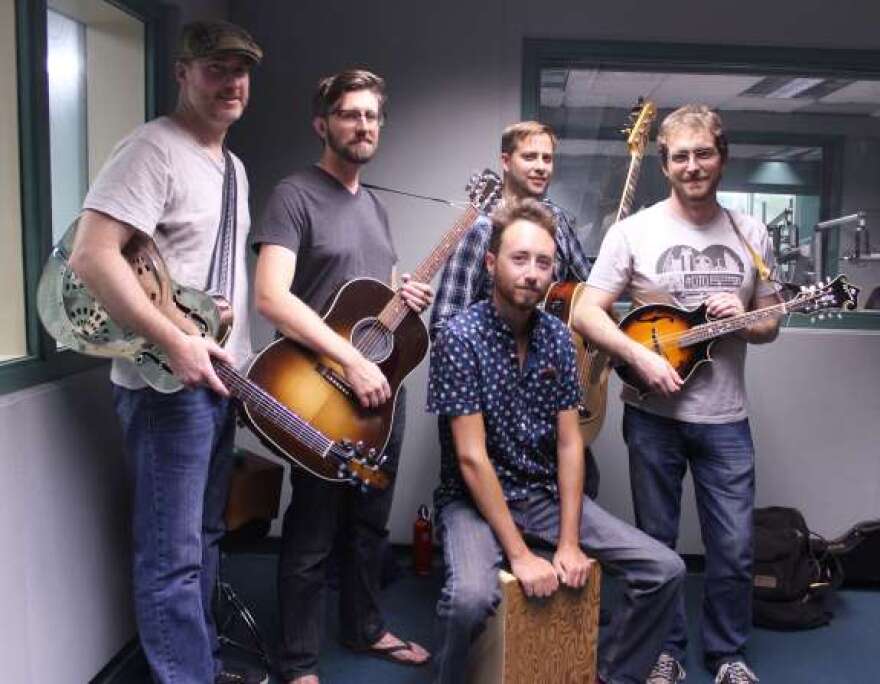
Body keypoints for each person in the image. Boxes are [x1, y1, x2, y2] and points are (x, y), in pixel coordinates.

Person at [69, 20, 266, 684]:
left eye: (240, 71)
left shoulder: (231, 166)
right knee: (170, 558)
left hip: (217, 382)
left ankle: (199, 668)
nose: (231, 83)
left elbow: (178, 270)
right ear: (182, 72)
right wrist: (177, 339)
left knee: (206, 544)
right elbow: (92, 256)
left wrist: (213, 321)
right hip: (165, 388)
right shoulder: (152, 149)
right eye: (216, 69)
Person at [428, 199, 685, 684]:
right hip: (471, 500)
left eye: (543, 263)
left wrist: (568, 542)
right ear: (491, 263)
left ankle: (611, 674)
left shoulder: (558, 339)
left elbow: (570, 444)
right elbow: (470, 457)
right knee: (469, 599)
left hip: (540, 493)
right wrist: (522, 556)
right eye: (519, 259)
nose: (531, 273)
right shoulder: (460, 338)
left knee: (665, 570)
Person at [572, 105, 783, 684]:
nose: (694, 166)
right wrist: (638, 356)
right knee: (658, 547)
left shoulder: (750, 232)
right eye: (681, 156)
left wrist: (745, 318)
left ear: (723, 156)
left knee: (734, 549)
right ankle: (664, 650)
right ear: (664, 164)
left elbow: (770, 325)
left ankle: (727, 655)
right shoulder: (633, 230)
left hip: (725, 418)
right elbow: (588, 311)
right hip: (651, 418)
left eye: (704, 153)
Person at [251, 69, 433, 684]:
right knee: (311, 530)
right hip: (318, 392)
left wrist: (404, 295)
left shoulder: (373, 205)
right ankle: (299, 662)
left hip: (380, 393)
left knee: (369, 524)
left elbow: (359, 298)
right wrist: (350, 361)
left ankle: (365, 628)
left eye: (373, 116)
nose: (364, 126)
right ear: (322, 123)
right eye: (351, 114)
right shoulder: (293, 196)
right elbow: (272, 298)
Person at [430, 120, 600, 498]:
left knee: (582, 483)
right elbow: (442, 324)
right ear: (506, 161)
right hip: (484, 397)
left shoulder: (557, 222)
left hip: (544, 388)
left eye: (548, 158)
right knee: (473, 497)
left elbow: (589, 292)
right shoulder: (479, 228)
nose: (541, 166)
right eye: (530, 157)